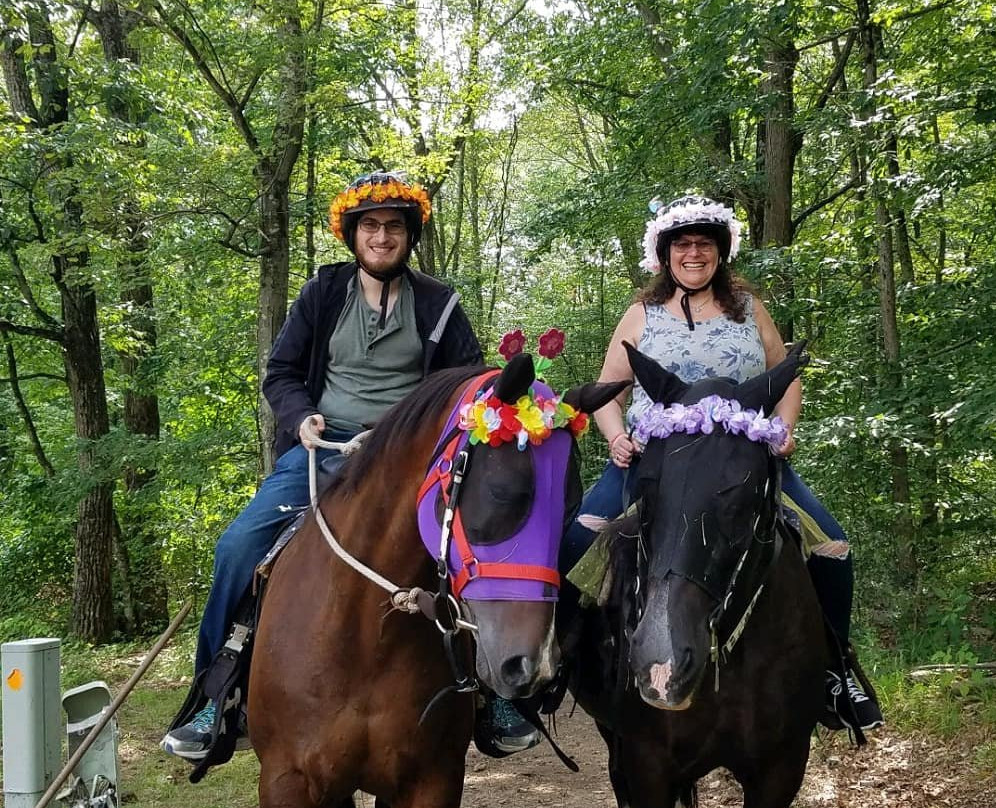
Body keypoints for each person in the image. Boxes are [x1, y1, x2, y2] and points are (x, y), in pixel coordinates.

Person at [162, 172, 536, 760]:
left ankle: (494, 694)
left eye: (393, 226)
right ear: (352, 234)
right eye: (370, 226)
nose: (381, 237)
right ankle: (216, 695)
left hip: (413, 459)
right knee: (237, 550)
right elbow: (280, 373)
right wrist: (302, 418)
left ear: (409, 235)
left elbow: (471, 383)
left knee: (471, 549)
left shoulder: (440, 304)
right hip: (324, 450)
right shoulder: (321, 294)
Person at [559, 193, 884, 733]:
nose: (693, 253)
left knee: (832, 546)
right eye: (682, 245)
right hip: (652, 464)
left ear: (720, 252)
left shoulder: (749, 309)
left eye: (704, 244)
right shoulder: (640, 315)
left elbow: (787, 374)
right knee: (576, 540)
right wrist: (616, 437)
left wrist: (784, 429)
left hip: (742, 466)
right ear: (665, 256)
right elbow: (609, 390)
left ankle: (835, 669)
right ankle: (564, 660)